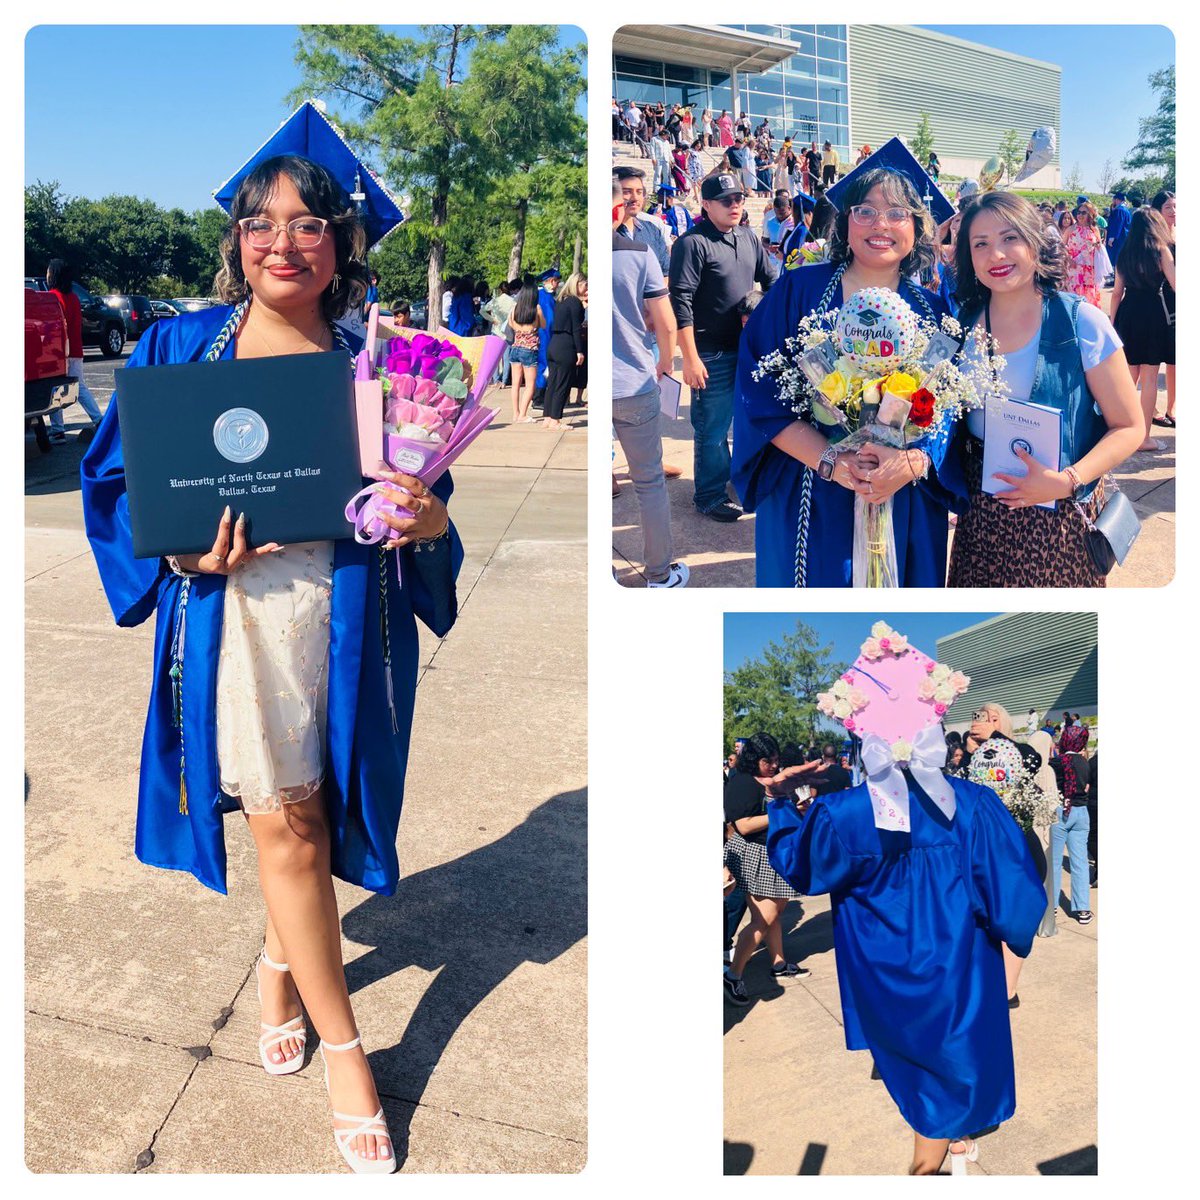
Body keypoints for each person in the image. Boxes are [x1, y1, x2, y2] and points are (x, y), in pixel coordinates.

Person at [79, 154, 461, 1174]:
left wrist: (429, 521)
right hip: (232, 616)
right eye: (261, 222)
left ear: (340, 244)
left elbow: (434, 496)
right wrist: (176, 548)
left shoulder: (380, 363)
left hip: (345, 621)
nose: (282, 242)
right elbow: (116, 481)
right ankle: (349, 1056)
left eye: (306, 223)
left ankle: (278, 964)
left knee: (317, 817)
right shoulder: (176, 349)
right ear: (235, 240)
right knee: (287, 828)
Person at [766, 656, 1045, 1174]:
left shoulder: (843, 813)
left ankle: (943, 1150)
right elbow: (1017, 901)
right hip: (961, 972)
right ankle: (944, 1151)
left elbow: (798, 868)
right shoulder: (975, 805)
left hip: (886, 979)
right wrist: (1010, 935)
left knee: (920, 1087)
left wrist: (781, 800)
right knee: (948, 1082)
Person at [733, 165, 956, 587]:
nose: (880, 225)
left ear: (917, 226)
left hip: (902, 492)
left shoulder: (934, 311)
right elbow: (757, 392)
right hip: (811, 486)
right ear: (845, 221)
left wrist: (911, 461)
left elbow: (950, 410)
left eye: (897, 213)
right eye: (865, 211)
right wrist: (831, 460)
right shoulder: (798, 292)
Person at [945, 191, 1143, 587]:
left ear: (1036, 243)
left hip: (1060, 517)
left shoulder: (1080, 323)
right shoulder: (959, 326)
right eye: (980, 244)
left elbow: (1130, 426)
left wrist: (1069, 478)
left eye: (1009, 238)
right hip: (982, 521)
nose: (996, 255)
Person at [670, 171, 777, 523]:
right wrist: (689, 357)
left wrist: (763, 304)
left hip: (748, 350)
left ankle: (735, 480)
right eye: (726, 201)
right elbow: (680, 300)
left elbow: (772, 278)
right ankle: (709, 495)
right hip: (710, 352)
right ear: (706, 204)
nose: (735, 205)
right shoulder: (692, 243)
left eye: (739, 199)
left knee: (746, 423)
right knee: (712, 429)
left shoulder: (747, 236)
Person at [611, 176, 688, 587]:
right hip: (634, 381)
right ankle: (658, 574)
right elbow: (665, 319)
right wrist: (666, 362)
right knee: (648, 483)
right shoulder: (638, 255)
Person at [723, 734, 826, 1006]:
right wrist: (785, 811)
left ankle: (779, 963)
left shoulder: (772, 781)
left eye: (775, 760)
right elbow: (743, 825)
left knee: (775, 914)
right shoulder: (742, 782)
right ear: (753, 759)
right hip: (754, 854)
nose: (772, 765)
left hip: (774, 852)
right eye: (767, 760)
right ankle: (733, 975)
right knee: (763, 918)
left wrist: (797, 808)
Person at [1110, 206, 1176, 445]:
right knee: (1149, 379)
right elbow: (1177, 284)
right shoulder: (1161, 251)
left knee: (1129, 377)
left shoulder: (1125, 252)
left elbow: (1116, 293)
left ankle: (1123, 432)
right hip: (1153, 315)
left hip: (1128, 314)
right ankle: (1144, 438)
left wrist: (1112, 323)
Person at [44, 258, 105, 442]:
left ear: (54, 274)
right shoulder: (74, 298)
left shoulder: (52, 297)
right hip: (76, 350)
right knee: (79, 387)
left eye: (49, 271)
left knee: (54, 389)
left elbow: (51, 327)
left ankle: (57, 430)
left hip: (58, 352)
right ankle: (98, 419)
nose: (47, 274)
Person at [1050, 723, 1093, 924]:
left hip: (1060, 811)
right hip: (1081, 813)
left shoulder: (1055, 763)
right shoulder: (1086, 763)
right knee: (1080, 863)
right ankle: (1083, 909)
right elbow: (1086, 787)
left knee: (1054, 862)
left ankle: (1053, 906)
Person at [542, 272, 586, 429]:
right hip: (566, 344)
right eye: (585, 285)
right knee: (563, 383)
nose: (586, 288)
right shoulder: (574, 302)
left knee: (553, 383)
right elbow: (576, 328)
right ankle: (555, 419)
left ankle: (547, 417)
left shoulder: (561, 301)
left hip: (554, 342)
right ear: (578, 285)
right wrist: (579, 351)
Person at [613, 166, 670, 273]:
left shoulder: (652, 230)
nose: (635, 198)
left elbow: (666, 272)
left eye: (639, 192)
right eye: (627, 192)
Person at [506, 280, 545, 424]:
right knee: (530, 385)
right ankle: (523, 413)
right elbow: (543, 324)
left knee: (515, 383)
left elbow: (510, 323)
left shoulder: (515, 308)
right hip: (530, 350)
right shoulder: (537, 309)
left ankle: (516, 413)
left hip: (515, 348)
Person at [1063, 202, 1106, 308]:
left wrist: (1097, 246)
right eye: (1079, 212)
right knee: (1074, 297)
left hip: (1089, 270)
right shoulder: (1071, 229)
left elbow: (1100, 247)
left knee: (1089, 299)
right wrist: (1068, 259)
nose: (1080, 215)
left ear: (1090, 215)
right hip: (1074, 269)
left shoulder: (1094, 229)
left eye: (1084, 213)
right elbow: (1060, 247)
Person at [533, 267, 559, 410]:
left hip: (541, 334)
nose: (557, 285)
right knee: (544, 365)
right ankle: (539, 398)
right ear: (551, 281)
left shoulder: (539, 294)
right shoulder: (546, 297)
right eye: (556, 281)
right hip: (546, 335)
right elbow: (549, 320)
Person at [1104, 192, 1131, 275]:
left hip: (1118, 239)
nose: (1113, 201)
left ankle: (1117, 279)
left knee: (1117, 259)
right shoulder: (1125, 210)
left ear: (1117, 200)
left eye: (1113, 199)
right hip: (1124, 237)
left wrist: (1112, 238)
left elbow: (1117, 225)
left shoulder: (1119, 210)